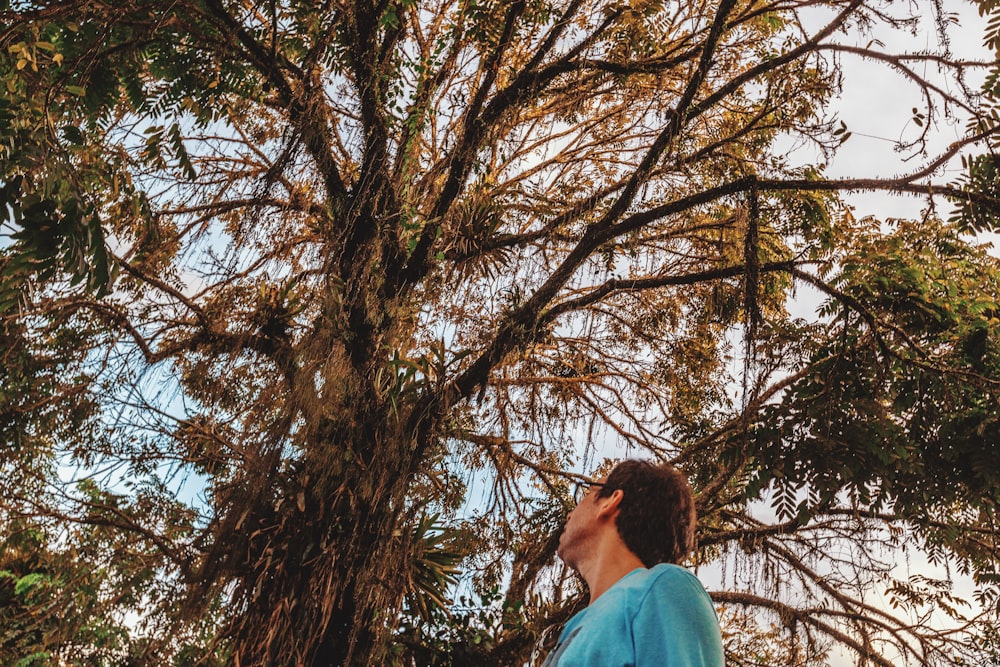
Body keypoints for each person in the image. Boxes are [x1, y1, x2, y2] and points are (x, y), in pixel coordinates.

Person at [541, 459, 725, 666]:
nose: (569, 515)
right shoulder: (573, 628)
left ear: (610, 501)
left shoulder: (665, 587)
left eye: (585, 493)